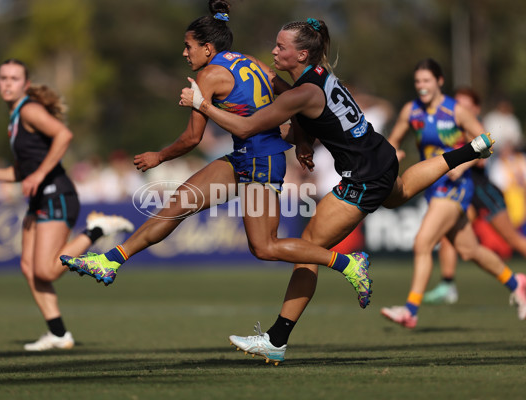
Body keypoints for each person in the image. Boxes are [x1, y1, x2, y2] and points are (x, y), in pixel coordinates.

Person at [60, 1, 378, 352]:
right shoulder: (248, 61)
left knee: (265, 247)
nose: (185, 53)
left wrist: (159, 155)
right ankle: (110, 261)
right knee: (179, 202)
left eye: (189, 46)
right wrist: (302, 141)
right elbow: (298, 102)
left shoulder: (208, 76)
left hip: (260, 164)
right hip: (244, 158)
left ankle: (347, 262)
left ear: (207, 48)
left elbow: (193, 139)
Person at [179, 21, 495, 363]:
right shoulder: (319, 75)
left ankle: (281, 334)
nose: (273, 51)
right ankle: (470, 149)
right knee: (400, 191)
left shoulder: (302, 92)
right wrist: (303, 140)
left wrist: (203, 105)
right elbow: (310, 120)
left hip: (362, 179)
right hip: (381, 154)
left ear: (301, 54)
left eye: (281, 47)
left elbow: (247, 126)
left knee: (308, 249)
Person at [0, 59, 135, 351]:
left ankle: (95, 230)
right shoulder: (15, 117)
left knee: (46, 271)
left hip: (57, 194)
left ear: (26, 84)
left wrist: (40, 173)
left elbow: (63, 135)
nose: (7, 83)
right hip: (40, 198)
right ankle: (59, 334)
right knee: (28, 267)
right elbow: (23, 170)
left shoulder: (29, 110)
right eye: (3, 77)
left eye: (14, 78)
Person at [379, 59, 526, 328]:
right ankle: (517, 282)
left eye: (426, 81)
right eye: (418, 82)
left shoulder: (455, 110)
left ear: (439, 81)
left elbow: (486, 142)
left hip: (456, 187)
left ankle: (410, 309)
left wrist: (464, 163)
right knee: (469, 250)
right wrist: (393, 154)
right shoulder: (411, 111)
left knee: (422, 242)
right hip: (432, 187)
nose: (421, 87)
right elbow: (394, 140)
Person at [425, 87, 526, 304]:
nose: (460, 107)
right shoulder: (451, 126)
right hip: (462, 191)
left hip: (482, 191)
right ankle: (447, 284)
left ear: (476, 108)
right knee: (448, 235)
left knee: (512, 238)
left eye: (466, 104)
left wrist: (460, 165)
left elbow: (482, 157)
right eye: (457, 103)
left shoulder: (474, 126)